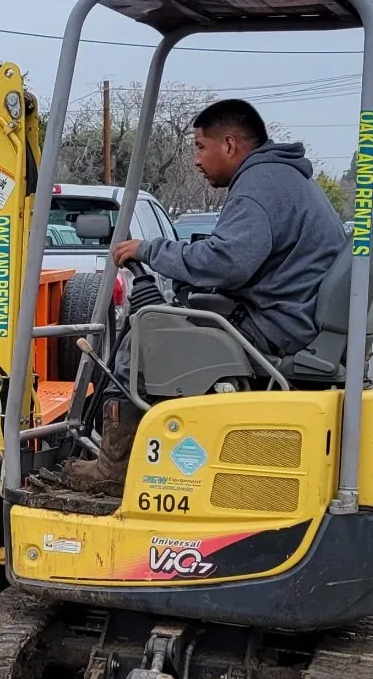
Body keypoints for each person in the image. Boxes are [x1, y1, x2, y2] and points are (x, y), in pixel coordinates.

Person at [65, 99, 348, 494]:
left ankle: (115, 467)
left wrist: (148, 250)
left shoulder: (258, 187)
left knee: (145, 337)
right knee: (172, 320)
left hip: (276, 326)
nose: (196, 160)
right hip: (295, 317)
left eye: (200, 147)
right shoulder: (283, 179)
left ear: (229, 145)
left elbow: (228, 261)